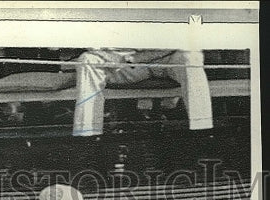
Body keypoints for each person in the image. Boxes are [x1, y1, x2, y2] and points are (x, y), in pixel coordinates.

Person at [72, 48, 213, 137]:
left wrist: (138, 58)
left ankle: (203, 134)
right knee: (87, 60)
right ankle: (88, 139)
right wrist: (108, 53)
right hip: (127, 62)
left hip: (167, 57)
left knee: (190, 55)